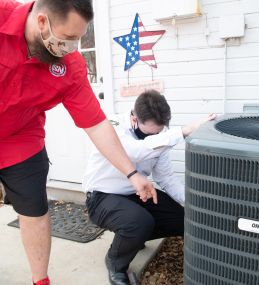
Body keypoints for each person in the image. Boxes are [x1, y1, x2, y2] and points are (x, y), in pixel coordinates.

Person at [0, 1, 156, 285]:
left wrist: (132, 174)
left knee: (34, 212)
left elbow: (96, 125)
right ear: (43, 22)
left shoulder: (69, 65)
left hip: (21, 138)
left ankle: (40, 280)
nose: (72, 48)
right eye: (68, 39)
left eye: (78, 39)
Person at [83, 90, 216, 285]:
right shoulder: (113, 125)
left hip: (136, 193)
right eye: (149, 133)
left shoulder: (159, 138)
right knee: (139, 222)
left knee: (181, 219)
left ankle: (133, 238)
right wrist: (182, 131)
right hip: (102, 197)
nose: (154, 137)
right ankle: (115, 263)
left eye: (159, 133)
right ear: (134, 118)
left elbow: (167, 178)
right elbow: (134, 152)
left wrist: (194, 203)